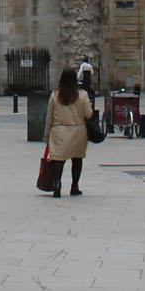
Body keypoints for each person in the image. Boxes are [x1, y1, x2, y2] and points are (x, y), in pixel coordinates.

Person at [44, 66, 95, 198]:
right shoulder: (82, 95)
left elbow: (49, 117)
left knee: (58, 159)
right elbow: (88, 114)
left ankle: (57, 184)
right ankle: (75, 186)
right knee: (77, 159)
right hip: (78, 131)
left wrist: (46, 135)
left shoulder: (55, 95)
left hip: (59, 130)